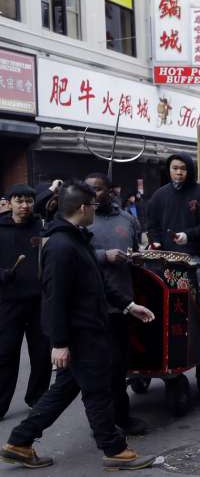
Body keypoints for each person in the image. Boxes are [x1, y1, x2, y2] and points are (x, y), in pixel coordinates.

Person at [1, 181, 156, 471]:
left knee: (63, 391)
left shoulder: (76, 239)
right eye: (93, 205)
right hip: (81, 333)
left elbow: (98, 283)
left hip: (88, 329)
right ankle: (114, 449)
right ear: (83, 207)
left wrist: (129, 305)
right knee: (97, 391)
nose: (95, 210)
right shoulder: (61, 245)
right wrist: (59, 342)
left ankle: (19, 442)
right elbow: (55, 297)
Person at [84, 173, 148, 436]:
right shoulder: (83, 219)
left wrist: (137, 258)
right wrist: (102, 256)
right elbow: (72, 254)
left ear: (110, 191)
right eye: (88, 191)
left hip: (122, 302)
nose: (93, 195)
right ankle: (104, 422)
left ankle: (120, 417)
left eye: (97, 190)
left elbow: (136, 249)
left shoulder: (127, 219)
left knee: (120, 364)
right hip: (92, 303)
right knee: (100, 368)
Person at [146, 153, 200, 354]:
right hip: (167, 256)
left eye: (183, 169)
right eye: (175, 168)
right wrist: (155, 240)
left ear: (190, 170)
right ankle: (167, 338)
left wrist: (188, 236)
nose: (178, 172)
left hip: (196, 255)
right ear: (169, 169)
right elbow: (152, 224)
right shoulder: (159, 195)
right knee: (164, 297)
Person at [0, 185, 50, 420]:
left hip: (39, 301)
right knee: (5, 353)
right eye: (19, 201)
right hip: (8, 302)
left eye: (29, 201)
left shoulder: (42, 227)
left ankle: (37, 397)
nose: (24, 205)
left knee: (41, 353)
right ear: (9, 203)